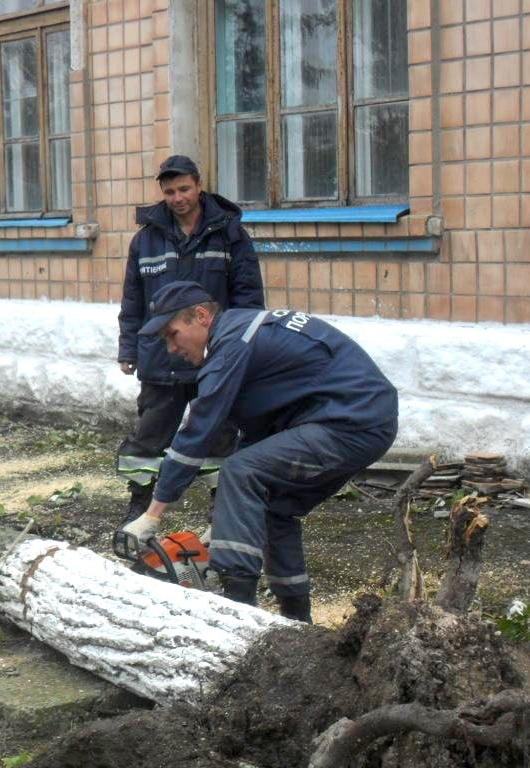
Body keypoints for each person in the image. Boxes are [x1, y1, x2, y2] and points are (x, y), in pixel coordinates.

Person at [114, 281, 398, 623]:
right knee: (275, 509)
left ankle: (238, 611)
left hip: (350, 421)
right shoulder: (245, 334)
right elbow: (254, 439)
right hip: (355, 418)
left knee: (239, 470)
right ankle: (296, 623)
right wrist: (224, 522)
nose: (172, 348)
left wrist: (153, 514)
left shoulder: (232, 345)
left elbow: (197, 432)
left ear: (201, 316)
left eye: (173, 334)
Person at [116, 155, 263, 532]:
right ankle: (140, 511)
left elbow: (248, 299)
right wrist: (128, 349)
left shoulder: (229, 234)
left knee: (220, 438)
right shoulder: (145, 240)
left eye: (183, 189)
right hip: (160, 357)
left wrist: (243, 350)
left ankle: (222, 514)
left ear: (198, 185)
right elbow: (132, 300)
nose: (177, 197)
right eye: (169, 192)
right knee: (147, 440)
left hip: (213, 357)